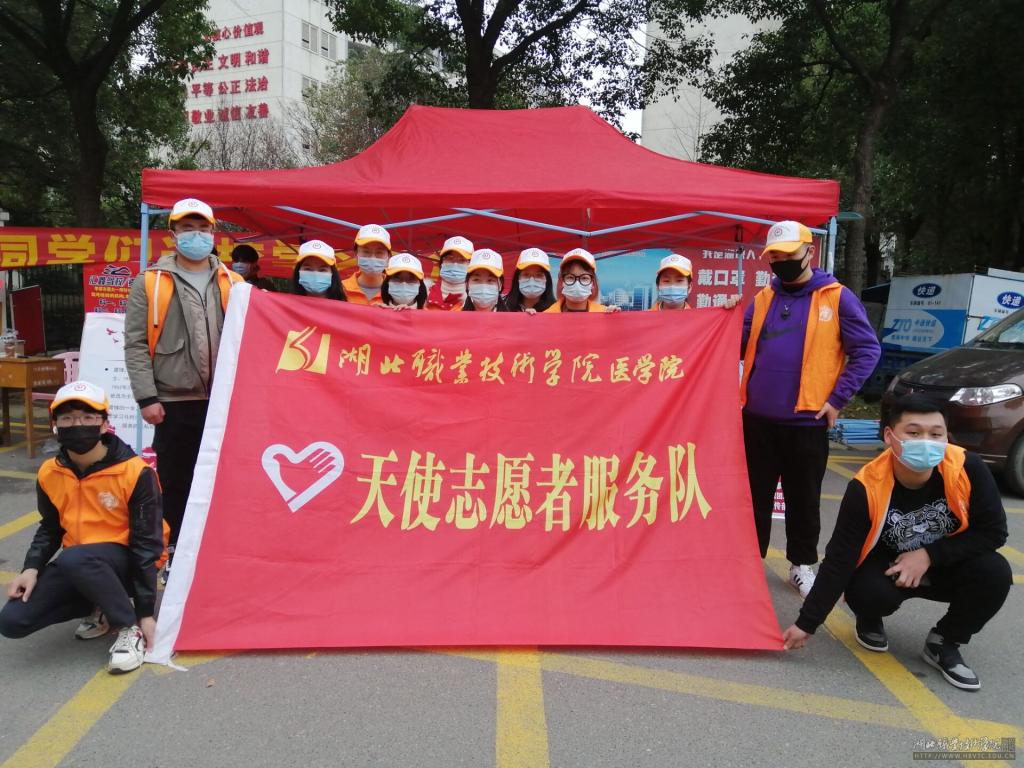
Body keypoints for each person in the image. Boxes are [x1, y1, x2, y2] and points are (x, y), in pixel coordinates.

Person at [782, 393, 1011, 691]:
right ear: (890, 436)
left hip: (946, 561)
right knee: (867, 592)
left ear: (947, 437)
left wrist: (929, 555)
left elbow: (994, 532)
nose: (926, 442)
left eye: (936, 434)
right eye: (914, 433)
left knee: (995, 572)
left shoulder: (968, 468)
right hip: (887, 567)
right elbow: (840, 558)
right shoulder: (866, 486)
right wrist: (807, 623)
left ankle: (945, 640)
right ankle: (869, 618)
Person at [740, 220, 881, 598]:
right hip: (756, 420)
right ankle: (748, 564)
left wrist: (837, 399)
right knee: (753, 498)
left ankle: (801, 565)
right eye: (775, 256)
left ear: (809, 251)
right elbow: (737, 341)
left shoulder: (837, 297)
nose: (781, 261)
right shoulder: (764, 298)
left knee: (803, 500)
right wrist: (719, 321)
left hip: (806, 422)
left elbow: (867, 350)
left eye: (788, 253)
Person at [0, 382, 167, 674]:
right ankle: (100, 605)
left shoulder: (135, 472)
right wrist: (31, 567)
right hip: (81, 564)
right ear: (55, 425)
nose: (77, 425)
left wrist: (144, 614)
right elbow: (50, 527)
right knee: (12, 621)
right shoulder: (49, 472)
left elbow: (146, 546)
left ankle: (129, 628)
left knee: (76, 558)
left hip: (130, 561)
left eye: (88, 417)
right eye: (67, 418)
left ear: (103, 424)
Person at [124, 198, 242, 580]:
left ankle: (213, 548)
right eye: (187, 228)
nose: (196, 235)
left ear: (214, 233)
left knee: (221, 478)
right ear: (172, 234)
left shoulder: (234, 282)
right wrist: (147, 397)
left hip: (222, 399)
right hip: (173, 399)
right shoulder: (150, 282)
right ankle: (174, 548)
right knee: (176, 480)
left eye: (203, 228)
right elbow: (135, 344)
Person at [544, 248, 617, 313]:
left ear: (593, 283)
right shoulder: (547, 316)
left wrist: (615, 317)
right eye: (570, 277)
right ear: (562, 281)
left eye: (584, 278)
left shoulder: (603, 313)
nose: (577, 283)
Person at [341, 224, 390, 306]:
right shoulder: (340, 289)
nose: (372, 258)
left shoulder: (396, 293)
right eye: (366, 252)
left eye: (379, 252)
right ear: (356, 254)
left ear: (388, 257)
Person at [426, 235, 473, 311]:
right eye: (449, 258)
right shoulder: (424, 292)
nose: (455, 264)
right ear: (441, 262)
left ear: (470, 265)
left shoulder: (476, 300)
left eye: (462, 260)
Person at [503, 248, 556, 313]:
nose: (532, 281)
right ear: (517, 278)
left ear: (547, 279)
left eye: (539, 275)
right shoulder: (502, 306)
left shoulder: (556, 310)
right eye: (526, 275)